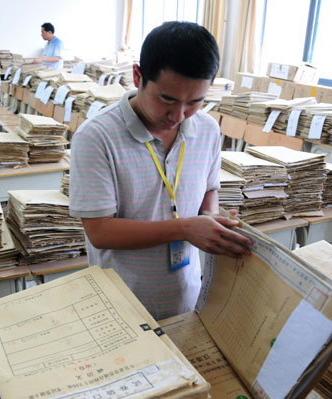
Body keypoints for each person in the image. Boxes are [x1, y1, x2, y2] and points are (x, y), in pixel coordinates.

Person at [69, 22, 252, 321]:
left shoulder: (206, 128)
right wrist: (185, 228)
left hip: (187, 297)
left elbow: (208, 188)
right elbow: (100, 231)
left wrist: (208, 216)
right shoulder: (95, 137)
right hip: (121, 304)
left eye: (195, 102)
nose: (178, 116)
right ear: (138, 76)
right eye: (167, 99)